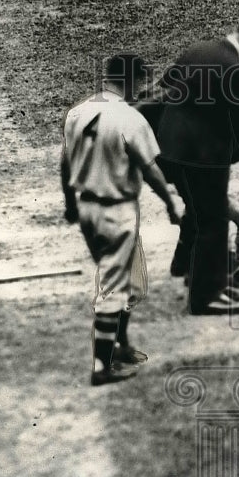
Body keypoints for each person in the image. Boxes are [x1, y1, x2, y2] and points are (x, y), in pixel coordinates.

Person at [61, 53, 182, 386]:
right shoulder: (130, 118)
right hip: (117, 211)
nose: (141, 90)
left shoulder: (77, 113)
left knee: (127, 276)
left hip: (87, 208)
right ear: (132, 80)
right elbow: (151, 169)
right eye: (141, 83)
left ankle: (120, 344)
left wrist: (71, 205)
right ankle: (102, 365)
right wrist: (172, 204)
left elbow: (65, 164)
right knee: (114, 285)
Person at [156, 16, 239, 315]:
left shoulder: (197, 50)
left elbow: (159, 91)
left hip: (168, 147)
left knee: (199, 211)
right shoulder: (236, 70)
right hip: (203, 155)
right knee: (213, 220)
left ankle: (190, 270)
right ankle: (205, 296)